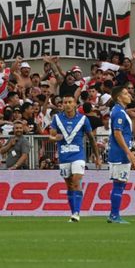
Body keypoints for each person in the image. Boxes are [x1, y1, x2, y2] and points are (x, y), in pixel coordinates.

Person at [49, 94, 101, 222]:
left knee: (76, 180)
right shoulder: (57, 118)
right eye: (65, 102)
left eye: (69, 102)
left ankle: (77, 212)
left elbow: (91, 138)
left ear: (75, 104)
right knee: (69, 185)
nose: (67, 104)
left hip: (78, 155)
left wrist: (97, 157)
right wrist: (56, 138)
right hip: (64, 156)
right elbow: (51, 136)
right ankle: (73, 213)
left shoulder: (83, 119)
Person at [107, 86, 135, 224]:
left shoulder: (119, 111)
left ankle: (114, 214)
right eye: (125, 93)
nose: (129, 95)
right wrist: (128, 152)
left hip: (119, 152)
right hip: (119, 154)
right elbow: (117, 133)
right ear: (119, 97)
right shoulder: (119, 112)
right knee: (119, 184)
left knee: (120, 184)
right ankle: (114, 215)